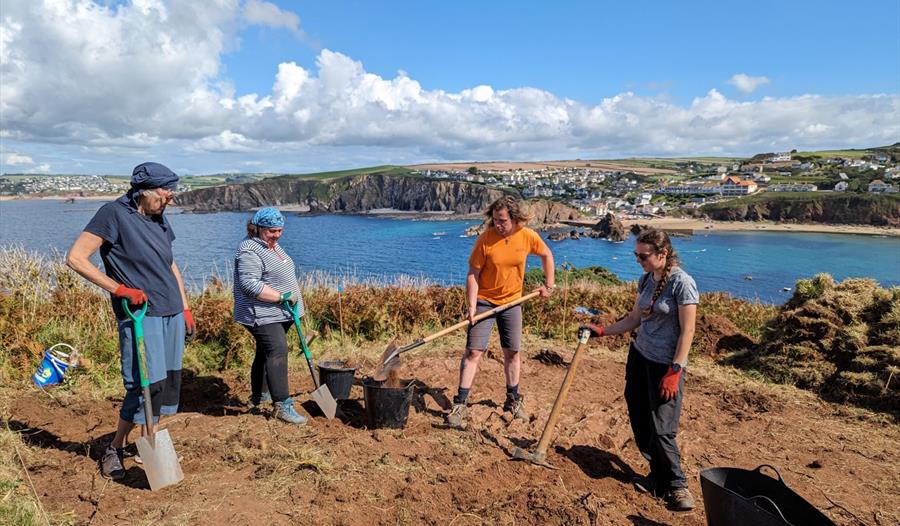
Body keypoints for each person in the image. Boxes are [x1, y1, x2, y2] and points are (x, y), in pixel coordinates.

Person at [66, 162, 194, 481]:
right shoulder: (113, 214)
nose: (170, 201)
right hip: (140, 314)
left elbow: (170, 264)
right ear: (144, 192)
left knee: (165, 382)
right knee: (142, 383)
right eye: (165, 195)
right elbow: (76, 258)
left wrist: (186, 306)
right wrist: (119, 289)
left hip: (172, 310)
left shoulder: (157, 216)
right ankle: (116, 447)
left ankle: (150, 438)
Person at [580, 228, 698, 511]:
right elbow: (634, 319)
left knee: (662, 429)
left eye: (643, 256)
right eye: (636, 254)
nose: (638, 260)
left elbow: (688, 331)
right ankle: (657, 477)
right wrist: (603, 330)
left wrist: (675, 370)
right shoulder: (647, 279)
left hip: (665, 366)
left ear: (662, 254)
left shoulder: (683, 284)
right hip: (640, 357)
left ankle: (679, 486)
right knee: (640, 419)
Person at [446, 196, 555, 429]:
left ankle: (513, 400)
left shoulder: (527, 236)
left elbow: (547, 255)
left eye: (503, 221)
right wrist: (472, 306)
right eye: (495, 220)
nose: (498, 224)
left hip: (513, 302)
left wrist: (549, 285)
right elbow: (472, 274)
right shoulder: (485, 240)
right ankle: (461, 403)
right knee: (473, 352)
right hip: (485, 301)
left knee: (513, 352)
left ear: (515, 219)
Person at [233, 207, 307, 425]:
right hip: (261, 313)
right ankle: (282, 406)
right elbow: (249, 284)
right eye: (272, 231)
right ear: (257, 228)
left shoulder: (270, 245)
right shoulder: (249, 249)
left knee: (265, 351)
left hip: (279, 312)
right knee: (277, 350)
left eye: (280, 230)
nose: (277, 235)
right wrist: (281, 296)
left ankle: (259, 395)